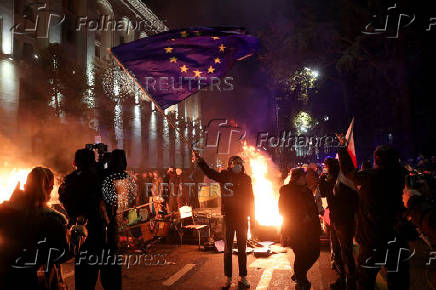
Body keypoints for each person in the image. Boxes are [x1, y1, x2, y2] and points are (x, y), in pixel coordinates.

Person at [337, 136, 410, 290]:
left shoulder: (369, 177)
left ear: (377, 160)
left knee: (365, 280)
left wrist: (343, 148)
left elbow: (349, 171)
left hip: (372, 239)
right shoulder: (401, 175)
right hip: (396, 238)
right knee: (398, 281)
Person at [0, 167, 70, 289]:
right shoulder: (54, 220)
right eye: (51, 186)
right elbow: (62, 254)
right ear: (49, 188)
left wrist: (12, 200)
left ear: (26, 185)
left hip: (9, 278)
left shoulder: (5, 212)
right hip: (39, 280)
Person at [193, 153, 255, 288]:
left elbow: (251, 198)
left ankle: (243, 276)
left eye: (239, 163)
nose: (237, 165)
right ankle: (228, 278)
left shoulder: (246, 179)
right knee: (227, 249)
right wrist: (200, 162)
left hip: (242, 218)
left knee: (242, 249)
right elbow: (210, 173)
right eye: (235, 163)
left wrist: (252, 218)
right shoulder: (224, 176)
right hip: (229, 217)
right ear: (230, 164)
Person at [59, 148, 118, 290]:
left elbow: (65, 202)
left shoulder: (71, 181)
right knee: (111, 282)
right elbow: (114, 205)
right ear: (93, 162)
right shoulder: (104, 178)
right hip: (105, 237)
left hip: (84, 238)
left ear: (75, 163)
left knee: (84, 283)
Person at [279, 168, 321, 290]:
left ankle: (299, 274)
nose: (306, 178)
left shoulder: (307, 190)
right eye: (303, 176)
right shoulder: (286, 191)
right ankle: (302, 282)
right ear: (296, 178)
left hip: (311, 229)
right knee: (301, 255)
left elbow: (312, 208)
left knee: (315, 252)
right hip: (295, 229)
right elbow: (283, 210)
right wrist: (300, 218)